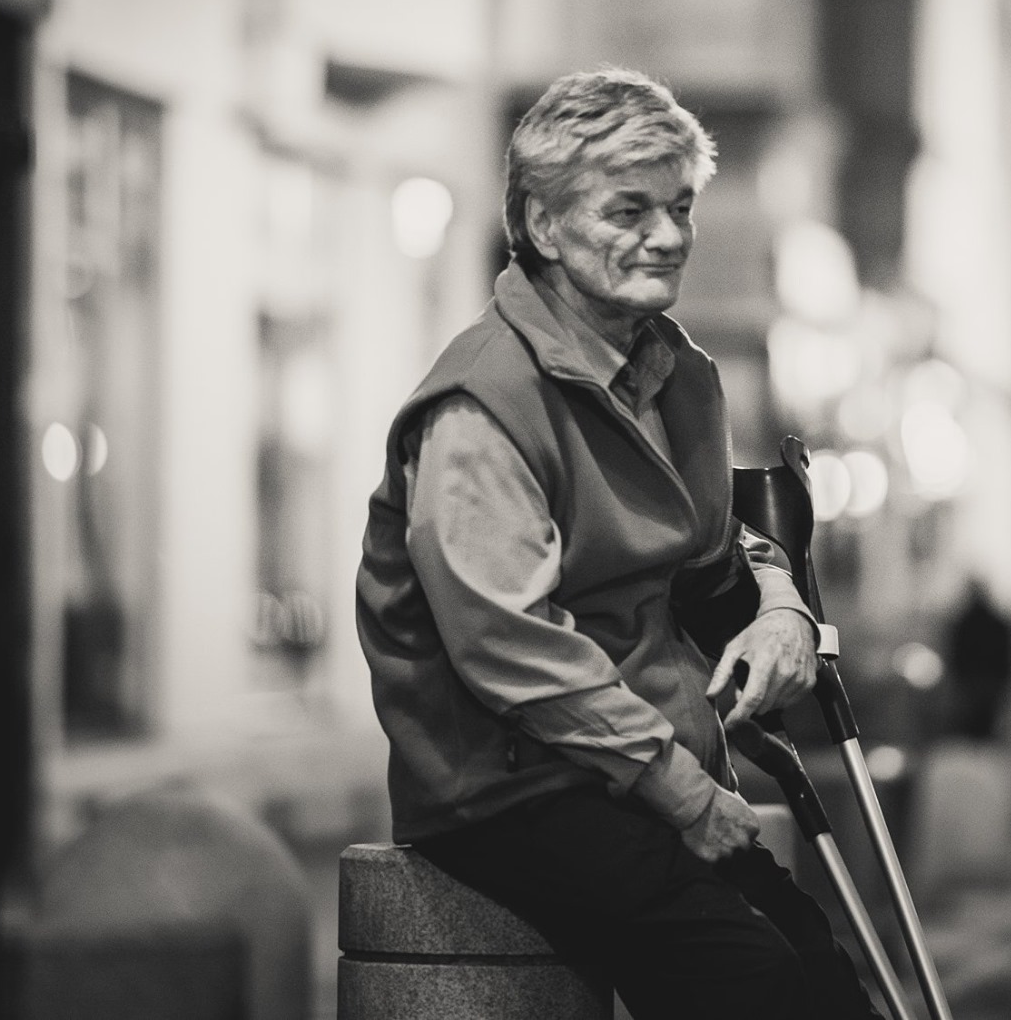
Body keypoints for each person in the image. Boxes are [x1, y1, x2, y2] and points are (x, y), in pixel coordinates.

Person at [357, 69, 883, 1020]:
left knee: (827, 980)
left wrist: (782, 609)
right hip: (513, 784)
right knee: (751, 982)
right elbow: (510, 649)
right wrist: (684, 791)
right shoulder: (481, 403)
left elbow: (718, 548)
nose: (670, 235)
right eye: (630, 209)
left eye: (680, 206)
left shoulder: (677, 374)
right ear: (544, 223)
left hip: (635, 760)